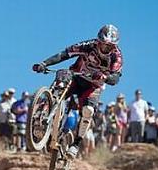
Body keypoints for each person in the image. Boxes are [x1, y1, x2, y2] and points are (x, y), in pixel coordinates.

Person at [32, 24, 123, 158]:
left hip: (93, 85)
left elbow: (115, 78)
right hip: (76, 76)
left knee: (88, 111)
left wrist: (105, 76)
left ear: (114, 45)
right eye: (102, 44)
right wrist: (44, 64)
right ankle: (43, 114)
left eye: (109, 46)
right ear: (98, 40)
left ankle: (75, 144)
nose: (104, 47)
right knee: (60, 83)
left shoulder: (116, 56)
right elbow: (64, 54)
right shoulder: (88, 45)